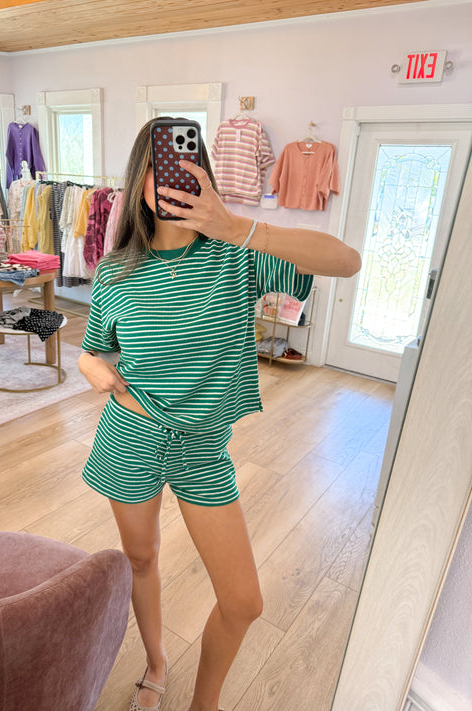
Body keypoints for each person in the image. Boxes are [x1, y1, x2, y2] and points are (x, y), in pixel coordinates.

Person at [78, 118, 361, 711]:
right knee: (141, 558)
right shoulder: (115, 271)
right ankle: (156, 665)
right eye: (159, 168)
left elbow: (346, 260)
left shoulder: (237, 256)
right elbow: (94, 348)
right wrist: (91, 368)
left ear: (203, 174)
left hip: (203, 448)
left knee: (243, 602)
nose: (173, 179)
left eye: (186, 165)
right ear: (137, 181)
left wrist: (236, 226)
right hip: (130, 436)